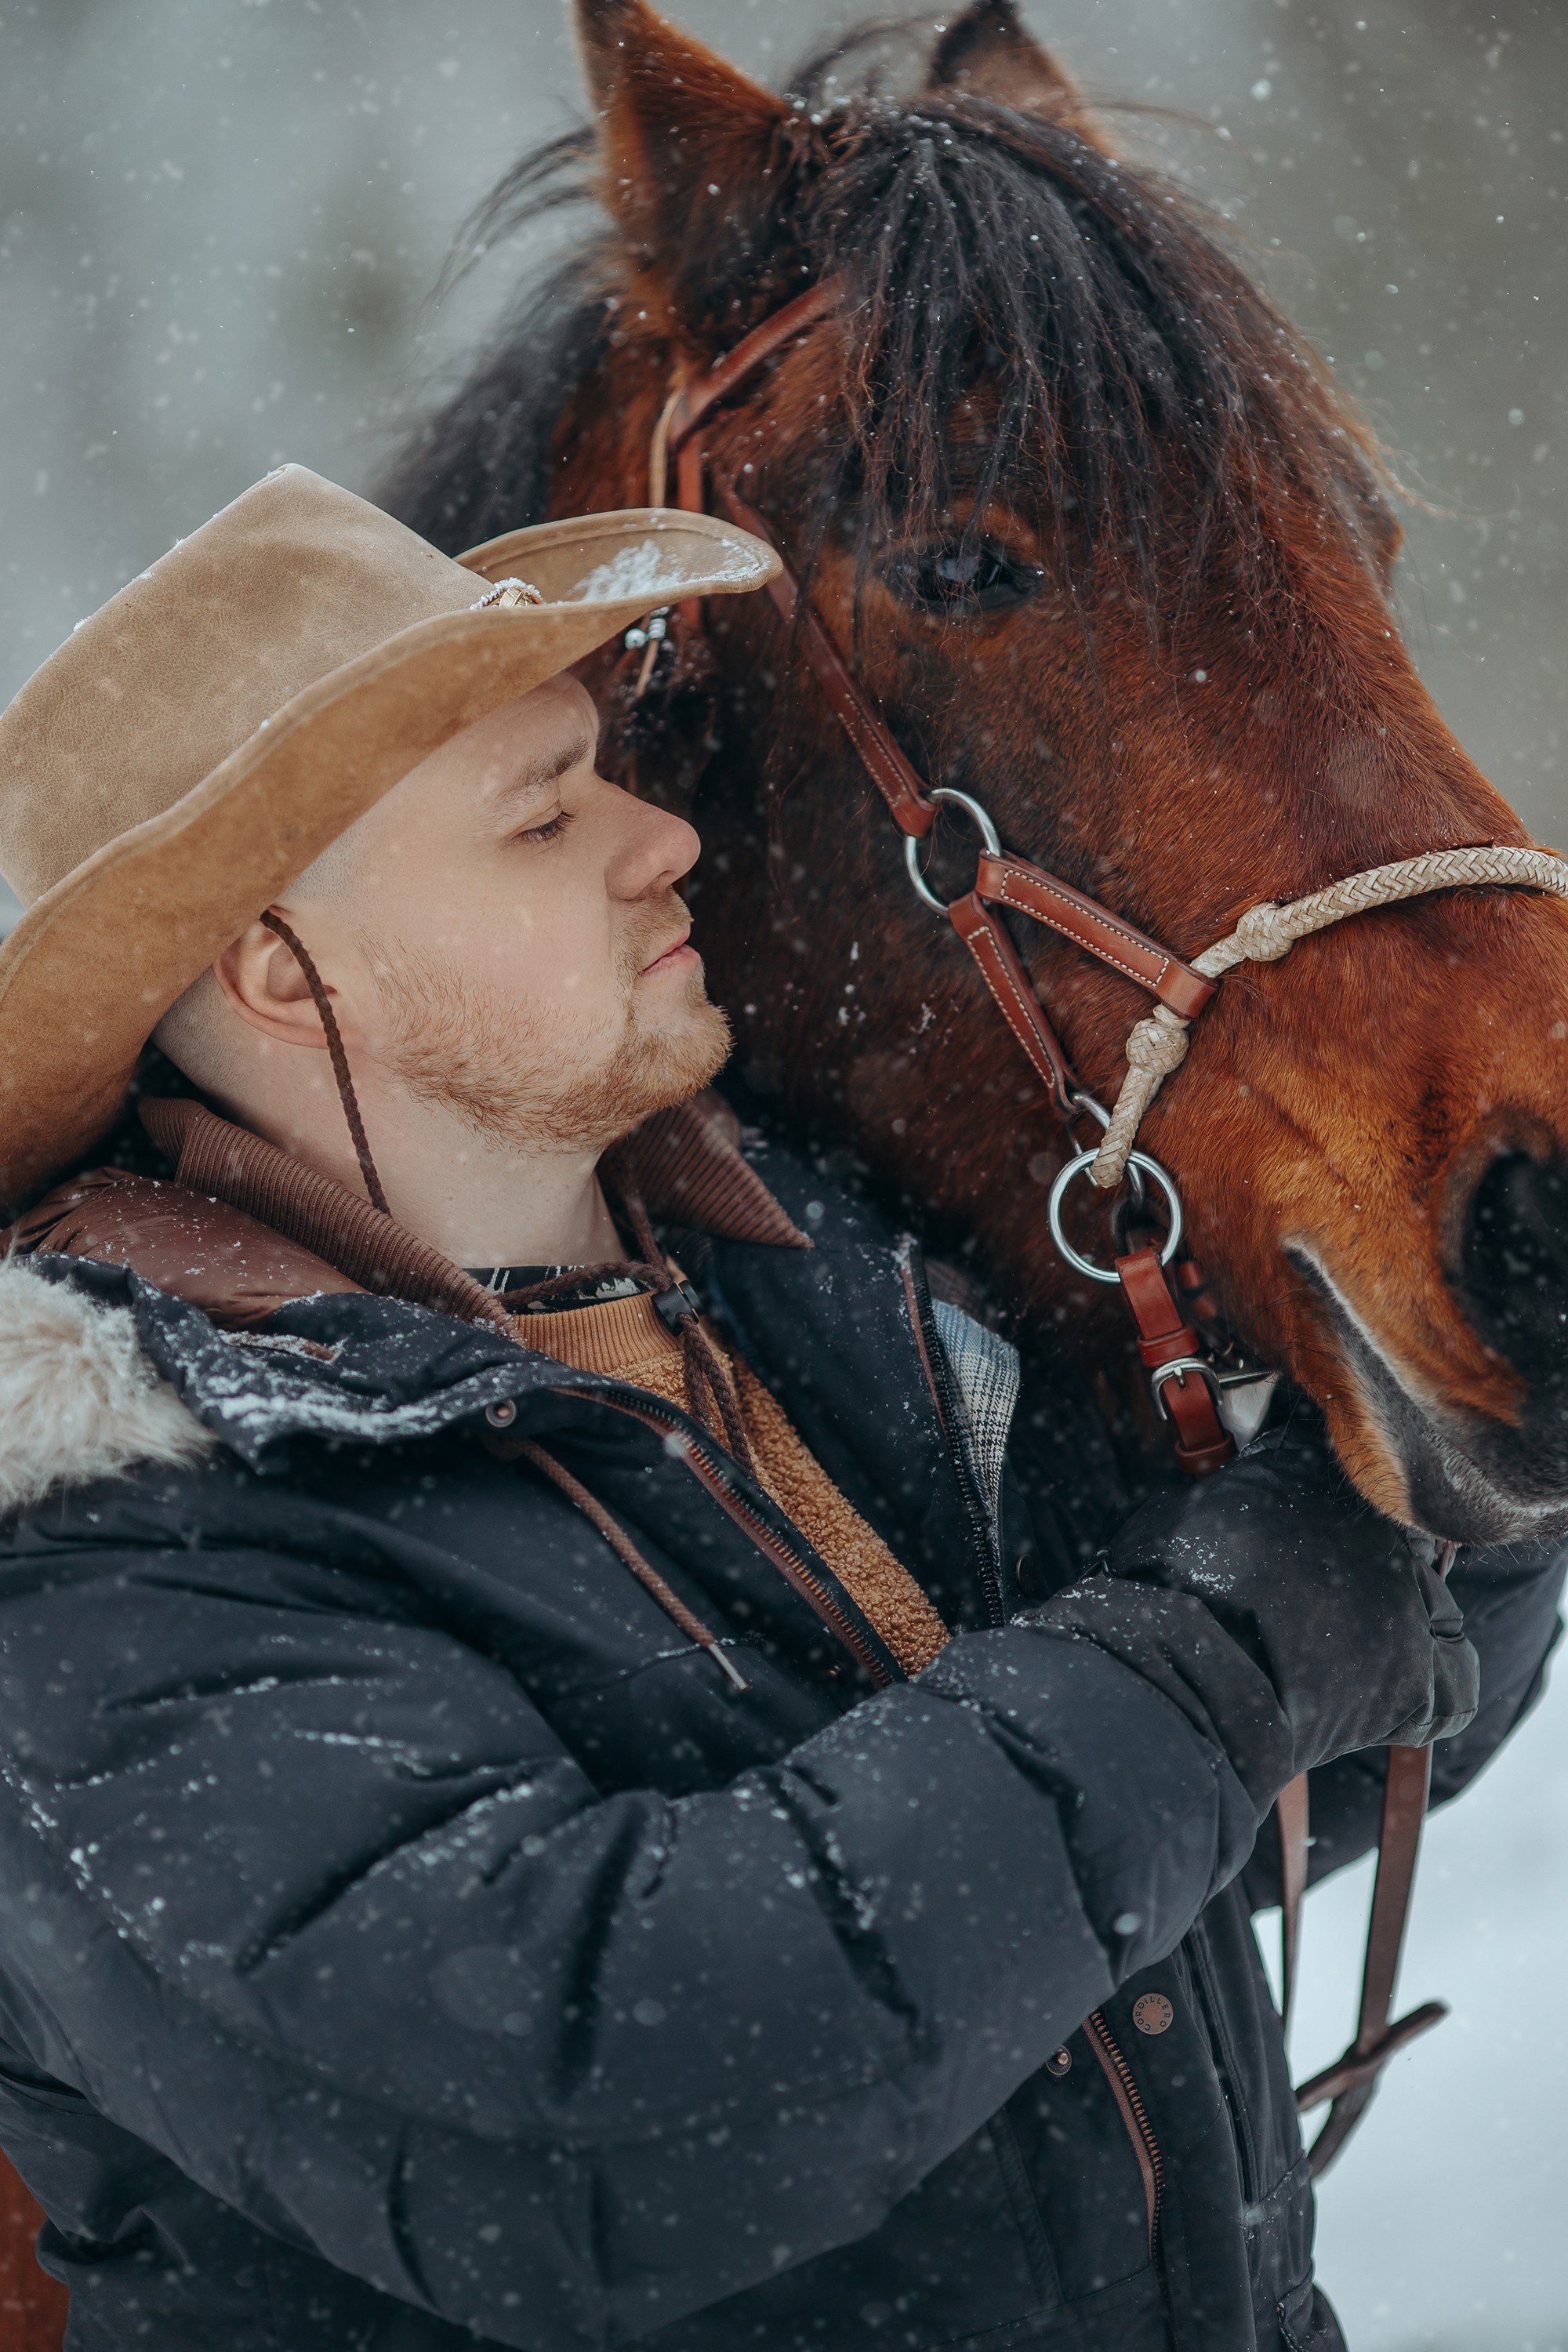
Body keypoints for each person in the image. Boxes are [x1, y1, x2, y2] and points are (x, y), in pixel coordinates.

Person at [0, 465, 1555, 2352]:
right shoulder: (108, 1551)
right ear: (279, 967)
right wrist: (1224, 1646)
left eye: (609, 773)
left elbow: (1220, 1801)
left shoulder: (820, 1280)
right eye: (542, 815)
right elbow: (599, 2109)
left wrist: (1468, 1421)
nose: (658, 836)